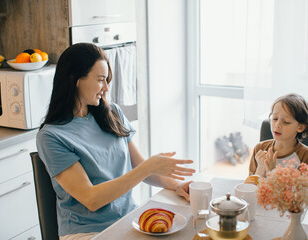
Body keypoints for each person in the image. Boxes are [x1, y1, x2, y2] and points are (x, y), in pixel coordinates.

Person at [36, 43, 195, 240]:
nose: (106, 88)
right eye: (101, 80)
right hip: (87, 233)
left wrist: (176, 185)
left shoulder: (111, 114)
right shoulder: (52, 136)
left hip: (128, 220)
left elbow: (140, 166)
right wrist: (147, 167)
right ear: (74, 78)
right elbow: (91, 199)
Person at [249, 93, 308, 177]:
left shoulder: (305, 154)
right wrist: (260, 169)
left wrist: (272, 171)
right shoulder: (259, 148)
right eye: (275, 118)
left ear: (300, 127)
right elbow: (249, 187)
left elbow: (303, 188)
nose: (277, 125)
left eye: (286, 122)